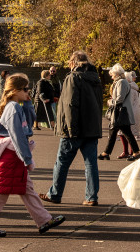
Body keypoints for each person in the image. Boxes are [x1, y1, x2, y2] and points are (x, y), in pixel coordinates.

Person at [0, 73, 65, 237]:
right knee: (0, 191)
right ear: (15, 90)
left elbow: (30, 122)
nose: (28, 92)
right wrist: (27, 158)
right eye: (25, 89)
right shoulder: (13, 108)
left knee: (27, 189)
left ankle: (43, 219)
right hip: (12, 155)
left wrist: (28, 102)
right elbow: (17, 135)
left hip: (14, 154)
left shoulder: (18, 105)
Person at [41, 51, 103, 207]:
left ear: (73, 62)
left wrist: (70, 127)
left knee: (62, 162)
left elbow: (70, 105)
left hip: (74, 129)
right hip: (91, 128)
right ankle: (91, 196)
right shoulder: (96, 79)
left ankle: (55, 193)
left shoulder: (73, 77)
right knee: (91, 164)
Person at [100, 64, 140, 161]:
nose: (111, 76)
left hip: (121, 111)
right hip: (120, 111)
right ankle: (107, 152)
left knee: (124, 133)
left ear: (117, 74)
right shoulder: (121, 82)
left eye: (112, 74)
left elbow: (120, 98)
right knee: (115, 132)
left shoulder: (121, 82)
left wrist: (110, 102)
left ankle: (136, 153)